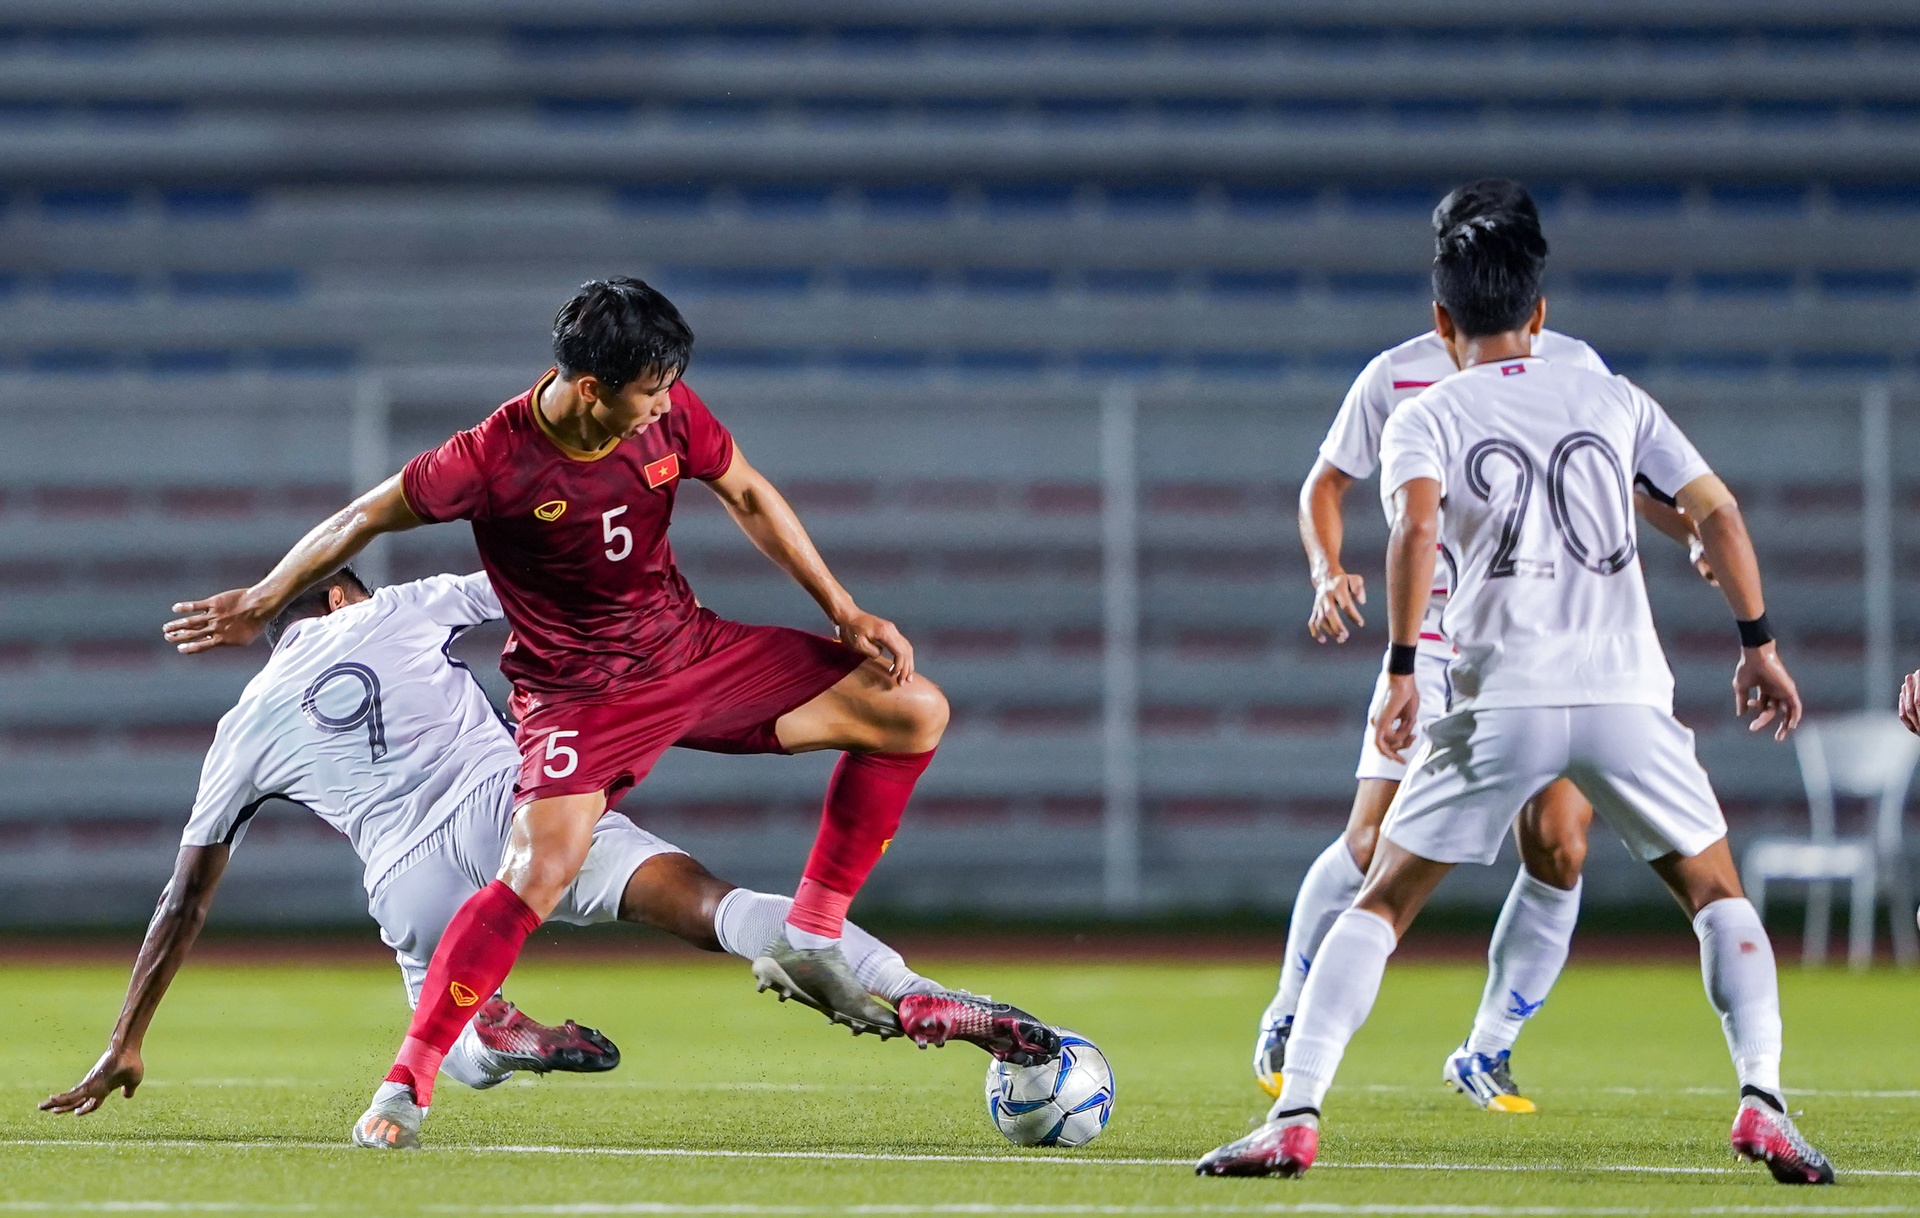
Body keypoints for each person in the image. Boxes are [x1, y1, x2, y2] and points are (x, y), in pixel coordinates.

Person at [162, 279, 956, 1146]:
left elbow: (750, 494)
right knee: (540, 870)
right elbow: (361, 516)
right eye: (648, 393)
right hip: (576, 696)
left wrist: (843, 607)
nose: (664, 408)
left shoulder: (669, 412)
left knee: (912, 711)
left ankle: (812, 930)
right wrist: (268, 596)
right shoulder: (489, 458)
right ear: (589, 389)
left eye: (665, 389)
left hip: (686, 650)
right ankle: (406, 1082)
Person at [1199, 206, 1832, 1183]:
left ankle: (1298, 1111)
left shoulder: (1428, 410)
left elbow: (1414, 534)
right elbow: (1719, 514)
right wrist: (1760, 645)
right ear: (1538, 313)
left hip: (1498, 695)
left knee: (1385, 900)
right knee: (1715, 893)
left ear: (1443, 327)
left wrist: (1405, 666)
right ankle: (1764, 1101)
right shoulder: (1610, 394)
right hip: (1625, 692)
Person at [60, 569, 1054, 1138]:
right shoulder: (386, 606)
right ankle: (913, 987)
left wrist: (128, 1035)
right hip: (516, 807)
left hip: (407, 877)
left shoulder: (240, 728)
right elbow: (533, 582)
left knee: (453, 1043)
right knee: (707, 905)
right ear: (336, 599)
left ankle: (495, 1036)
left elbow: (183, 900)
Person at [1262, 178, 1714, 1111]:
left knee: (1558, 844)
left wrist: (1691, 532)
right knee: (1371, 840)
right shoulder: (1396, 376)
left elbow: (1604, 485)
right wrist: (1325, 571)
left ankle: (1487, 1046)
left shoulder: (1577, 366)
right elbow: (1323, 485)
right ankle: (1289, 1007)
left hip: (1536, 643)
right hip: (1427, 646)